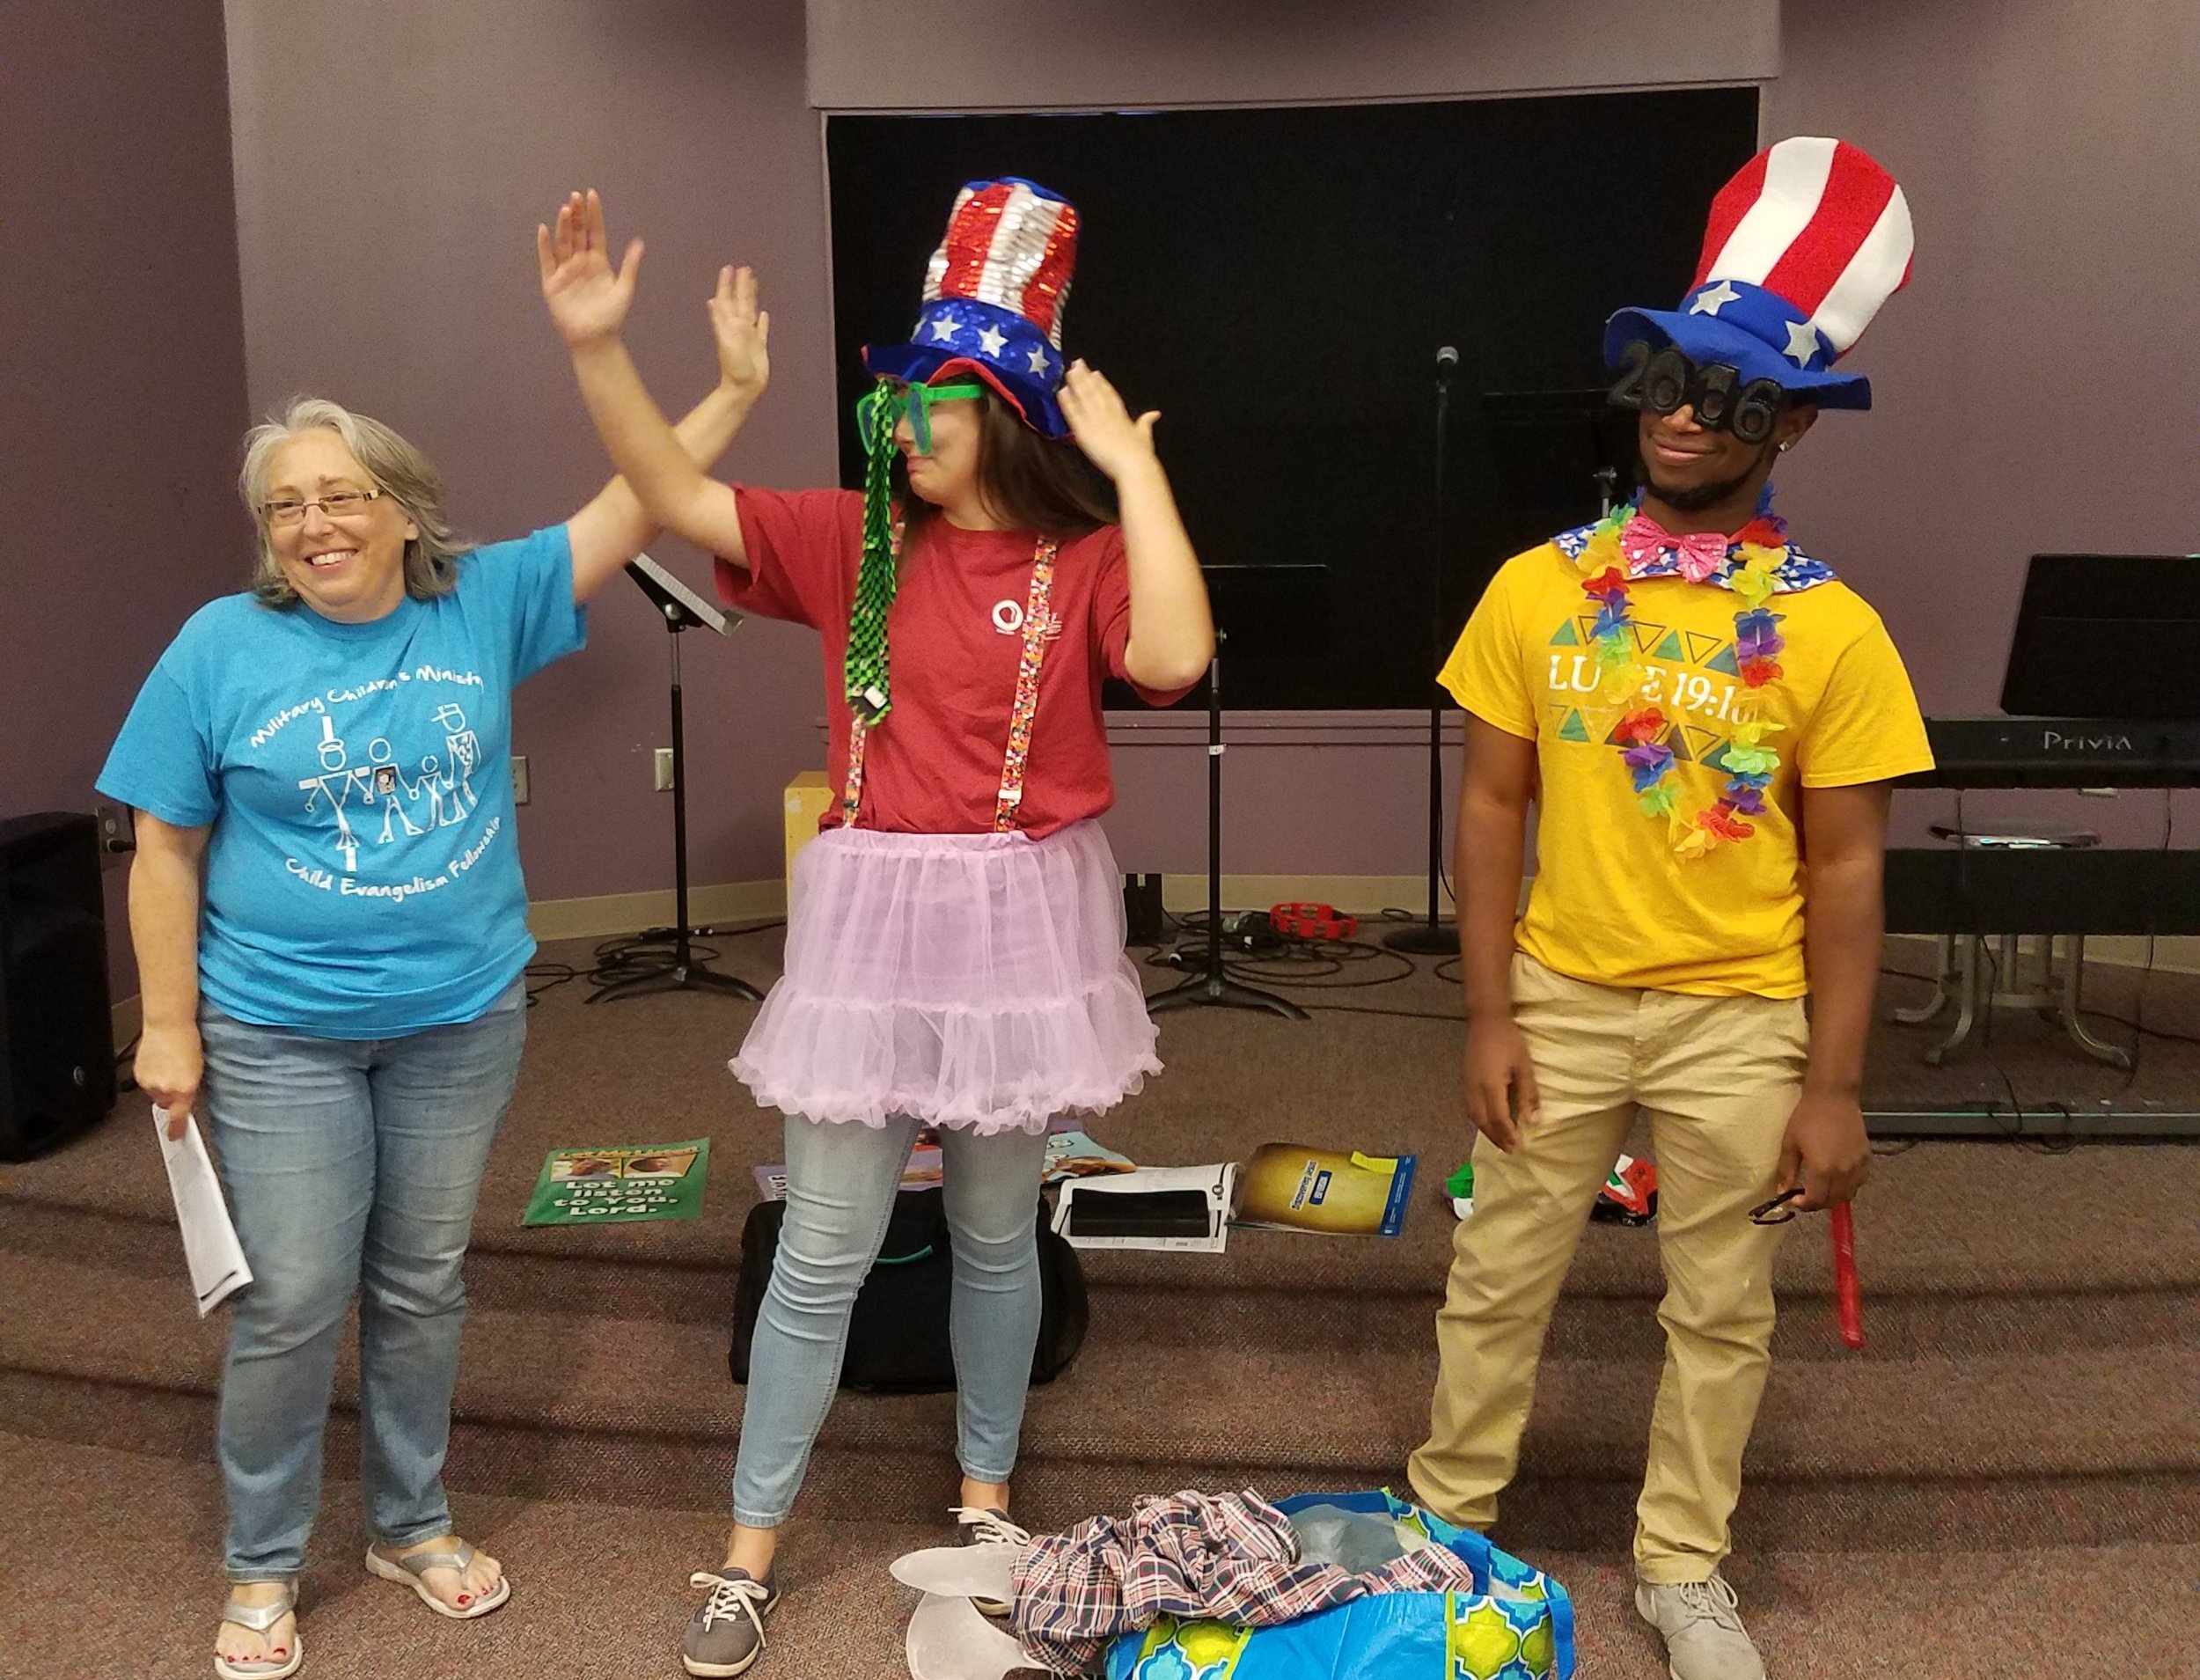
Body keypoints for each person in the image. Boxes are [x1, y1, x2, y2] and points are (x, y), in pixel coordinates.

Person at [539, 176, 1214, 1676]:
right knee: (825, 1242)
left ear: (1008, 417)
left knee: (993, 1230)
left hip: (1022, 914)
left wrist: (1134, 472)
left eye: (939, 403)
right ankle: (748, 1544)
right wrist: (603, 351)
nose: (906, 425)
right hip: (875, 909)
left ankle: (984, 1502)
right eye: (899, 402)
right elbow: (665, 489)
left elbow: (1171, 650)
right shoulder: (853, 536)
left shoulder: (1080, 557)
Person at [99, 194, 753, 1680]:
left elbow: (637, 499)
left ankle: (410, 1519)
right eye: (285, 505)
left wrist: (725, 390)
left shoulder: (484, 604)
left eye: (340, 495)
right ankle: (261, 1566)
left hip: (463, 1014)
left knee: (421, 1281)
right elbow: (165, 844)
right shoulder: (218, 646)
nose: (314, 524)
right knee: (291, 1301)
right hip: (276, 1028)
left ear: (402, 505)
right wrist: (169, 1019)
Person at [1404, 139, 1934, 1680]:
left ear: (1788, 428)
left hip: (1744, 1016)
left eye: (1730, 394)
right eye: (1671, 380)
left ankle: (1685, 1563)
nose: (1689, 414)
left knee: (1721, 1308)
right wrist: (1490, 1004)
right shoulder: (1538, 588)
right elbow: (1493, 804)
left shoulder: (1836, 631)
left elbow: (1846, 867)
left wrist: (1835, 1085)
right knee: (1498, 1270)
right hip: (1560, 993)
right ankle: (1449, 1523)